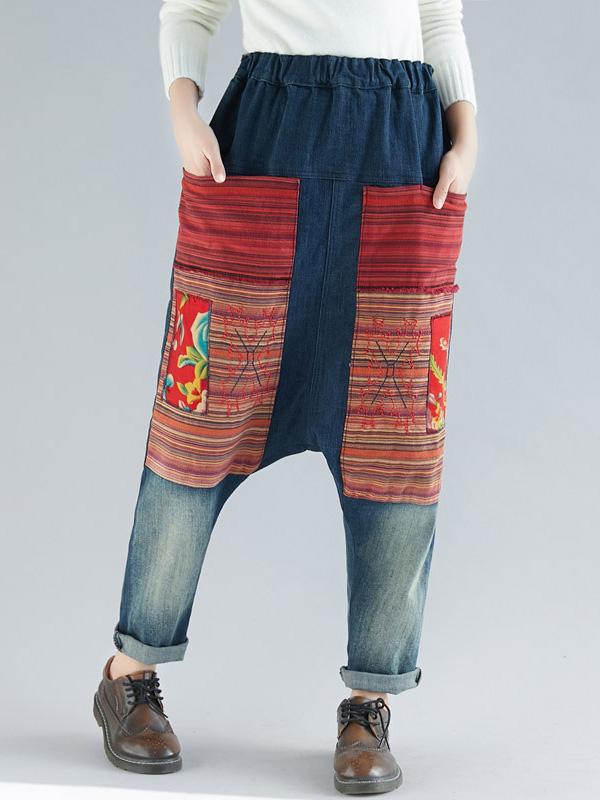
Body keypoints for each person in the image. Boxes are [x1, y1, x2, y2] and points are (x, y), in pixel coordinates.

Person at [93, 0, 478, 793]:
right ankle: (128, 674)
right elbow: (189, 10)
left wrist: (466, 139)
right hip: (265, 144)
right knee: (195, 431)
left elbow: (440, 19)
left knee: (397, 453)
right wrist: (183, 114)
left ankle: (369, 704)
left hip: (402, 157)